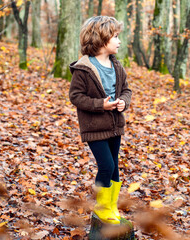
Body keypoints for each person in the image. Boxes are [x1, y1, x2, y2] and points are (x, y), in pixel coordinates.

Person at [69, 16, 132, 225]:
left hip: (115, 126)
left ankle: (111, 206)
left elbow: (126, 90)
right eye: (115, 36)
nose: (119, 41)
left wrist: (123, 102)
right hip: (95, 128)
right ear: (101, 39)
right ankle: (101, 207)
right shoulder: (83, 68)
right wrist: (100, 105)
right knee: (105, 165)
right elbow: (76, 97)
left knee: (114, 167)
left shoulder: (117, 66)